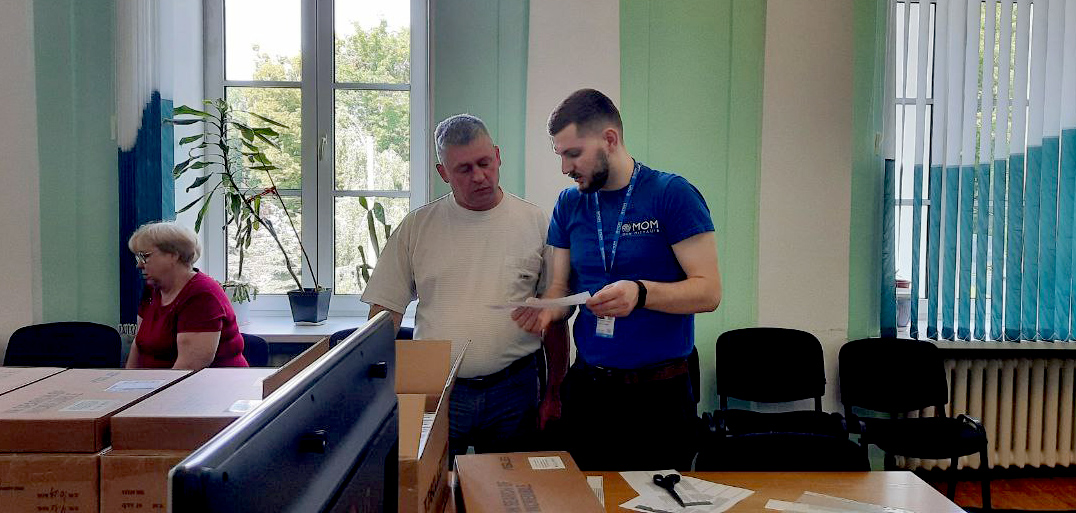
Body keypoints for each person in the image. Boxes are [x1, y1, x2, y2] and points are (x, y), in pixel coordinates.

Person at [512, 89, 721, 470]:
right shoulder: (569, 204)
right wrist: (546, 312)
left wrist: (640, 293)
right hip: (591, 393)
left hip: (659, 395)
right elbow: (559, 288)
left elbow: (708, 291)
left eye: (573, 154)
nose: (565, 168)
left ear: (609, 140)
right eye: (560, 155)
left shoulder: (671, 195)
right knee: (588, 499)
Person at [361, 114, 567, 458]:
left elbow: (555, 316)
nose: (480, 176)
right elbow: (383, 314)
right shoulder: (418, 226)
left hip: (513, 389)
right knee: (426, 494)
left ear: (498, 156)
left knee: (507, 496)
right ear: (444, 173)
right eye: (464, 169)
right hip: (435, 386)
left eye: (485, 163)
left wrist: (554, 392)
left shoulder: (535, 222)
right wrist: (376, 391)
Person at [126, 221, 248, 370]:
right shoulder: (152, 289)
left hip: (210, 388)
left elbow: (188, 369)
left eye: (145, 257)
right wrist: (127, 383)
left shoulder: (203, 295)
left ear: (173, 255)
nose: (139, 265)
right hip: (157, 385)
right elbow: (139, 344)